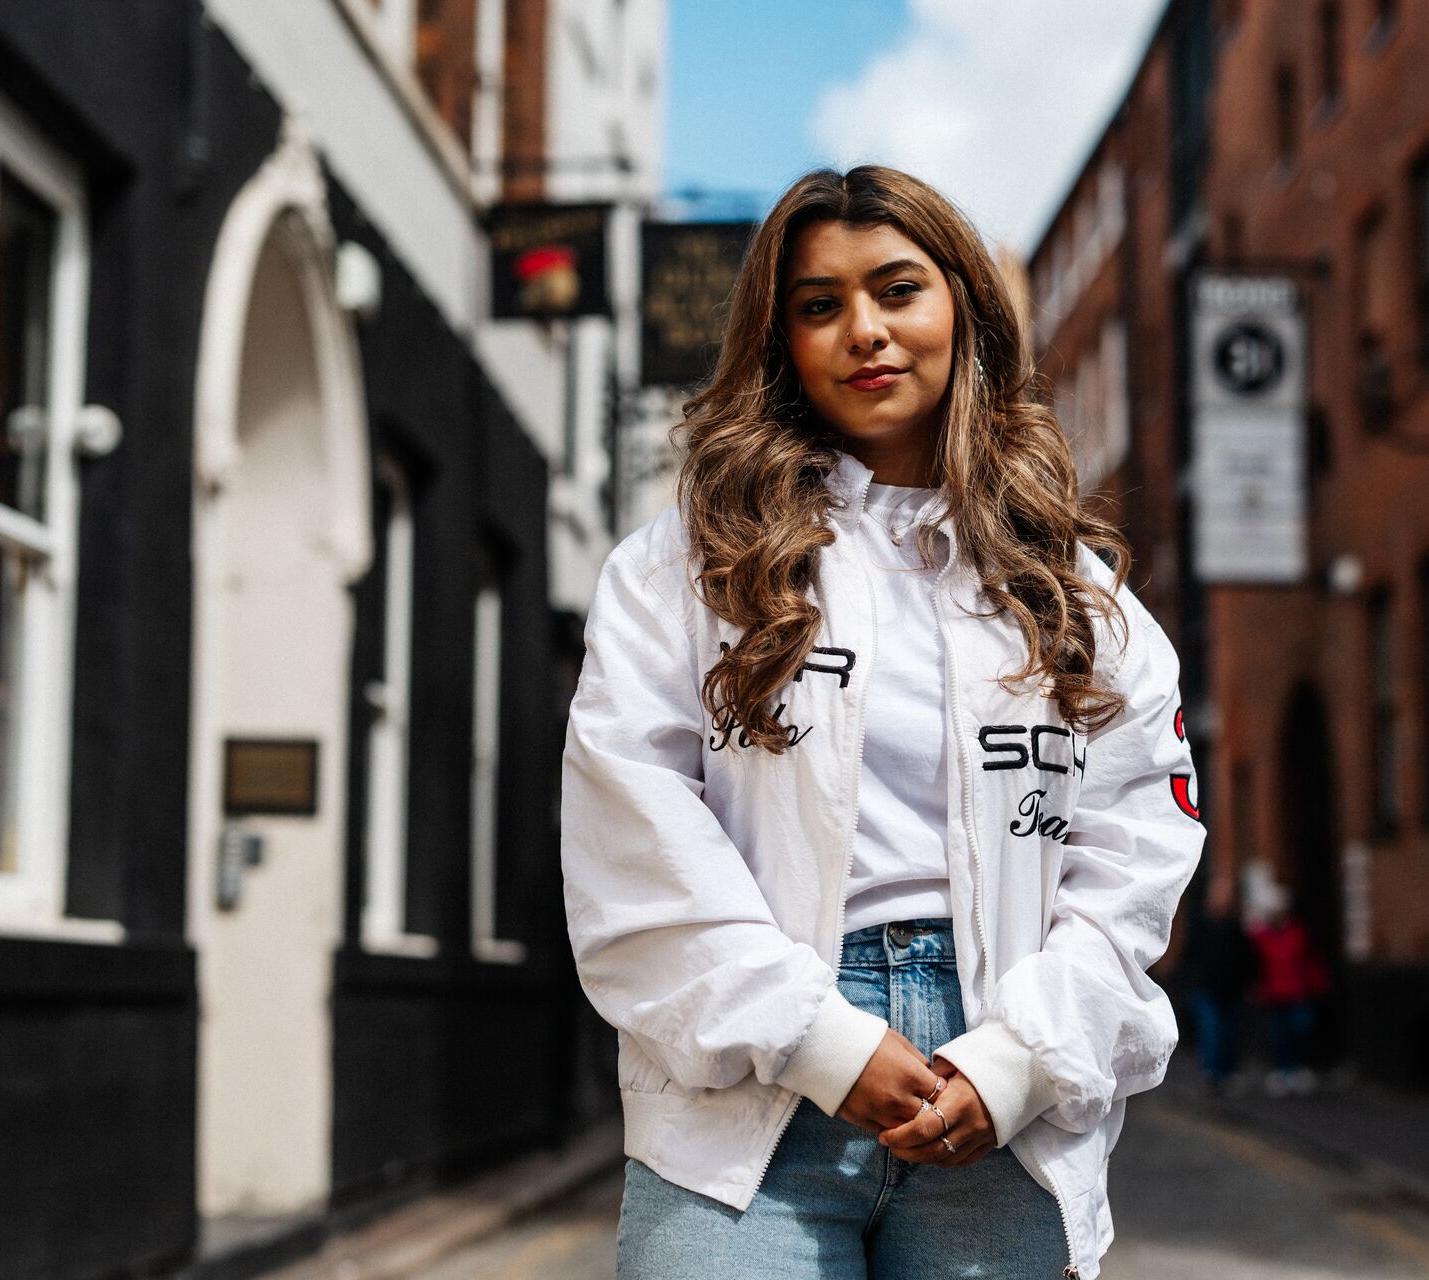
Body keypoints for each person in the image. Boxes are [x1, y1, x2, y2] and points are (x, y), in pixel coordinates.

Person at [560, 164, 1206, 1280]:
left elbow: (1137, 856)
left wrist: (1016, 1060)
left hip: (997, 1090)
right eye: (819, 305)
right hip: (744, 1099)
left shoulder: (1078, 594)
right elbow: (636, 830)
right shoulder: (679, 568)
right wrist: (825, 1038)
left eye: (897, 289)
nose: (864, 329)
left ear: (962, 307)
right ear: (781, 341)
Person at [1244, 876, 1331, 1097]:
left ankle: (1298, 1070)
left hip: (1297, 993)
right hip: (1274, 995)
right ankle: (1282, 1072)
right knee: (1278, 1037)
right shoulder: (1261, 936)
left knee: (1300, 1033)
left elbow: (1309, 960)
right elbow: (1250, 957)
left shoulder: (1297, 933)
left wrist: (1319, 983)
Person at [1187, 875, 1257, 1093]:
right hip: (1207, 989)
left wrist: (1251, 982)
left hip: (1233, 989)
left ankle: (1228, 1073)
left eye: (1225, 896)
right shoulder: (1200, 925)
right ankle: (1212, 1074)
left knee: (1231, 1034)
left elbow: (1247, 957)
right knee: (1212, 1032)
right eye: (1218, 895)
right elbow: (1190, 956)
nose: (1221, 900)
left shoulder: (1237, 927)